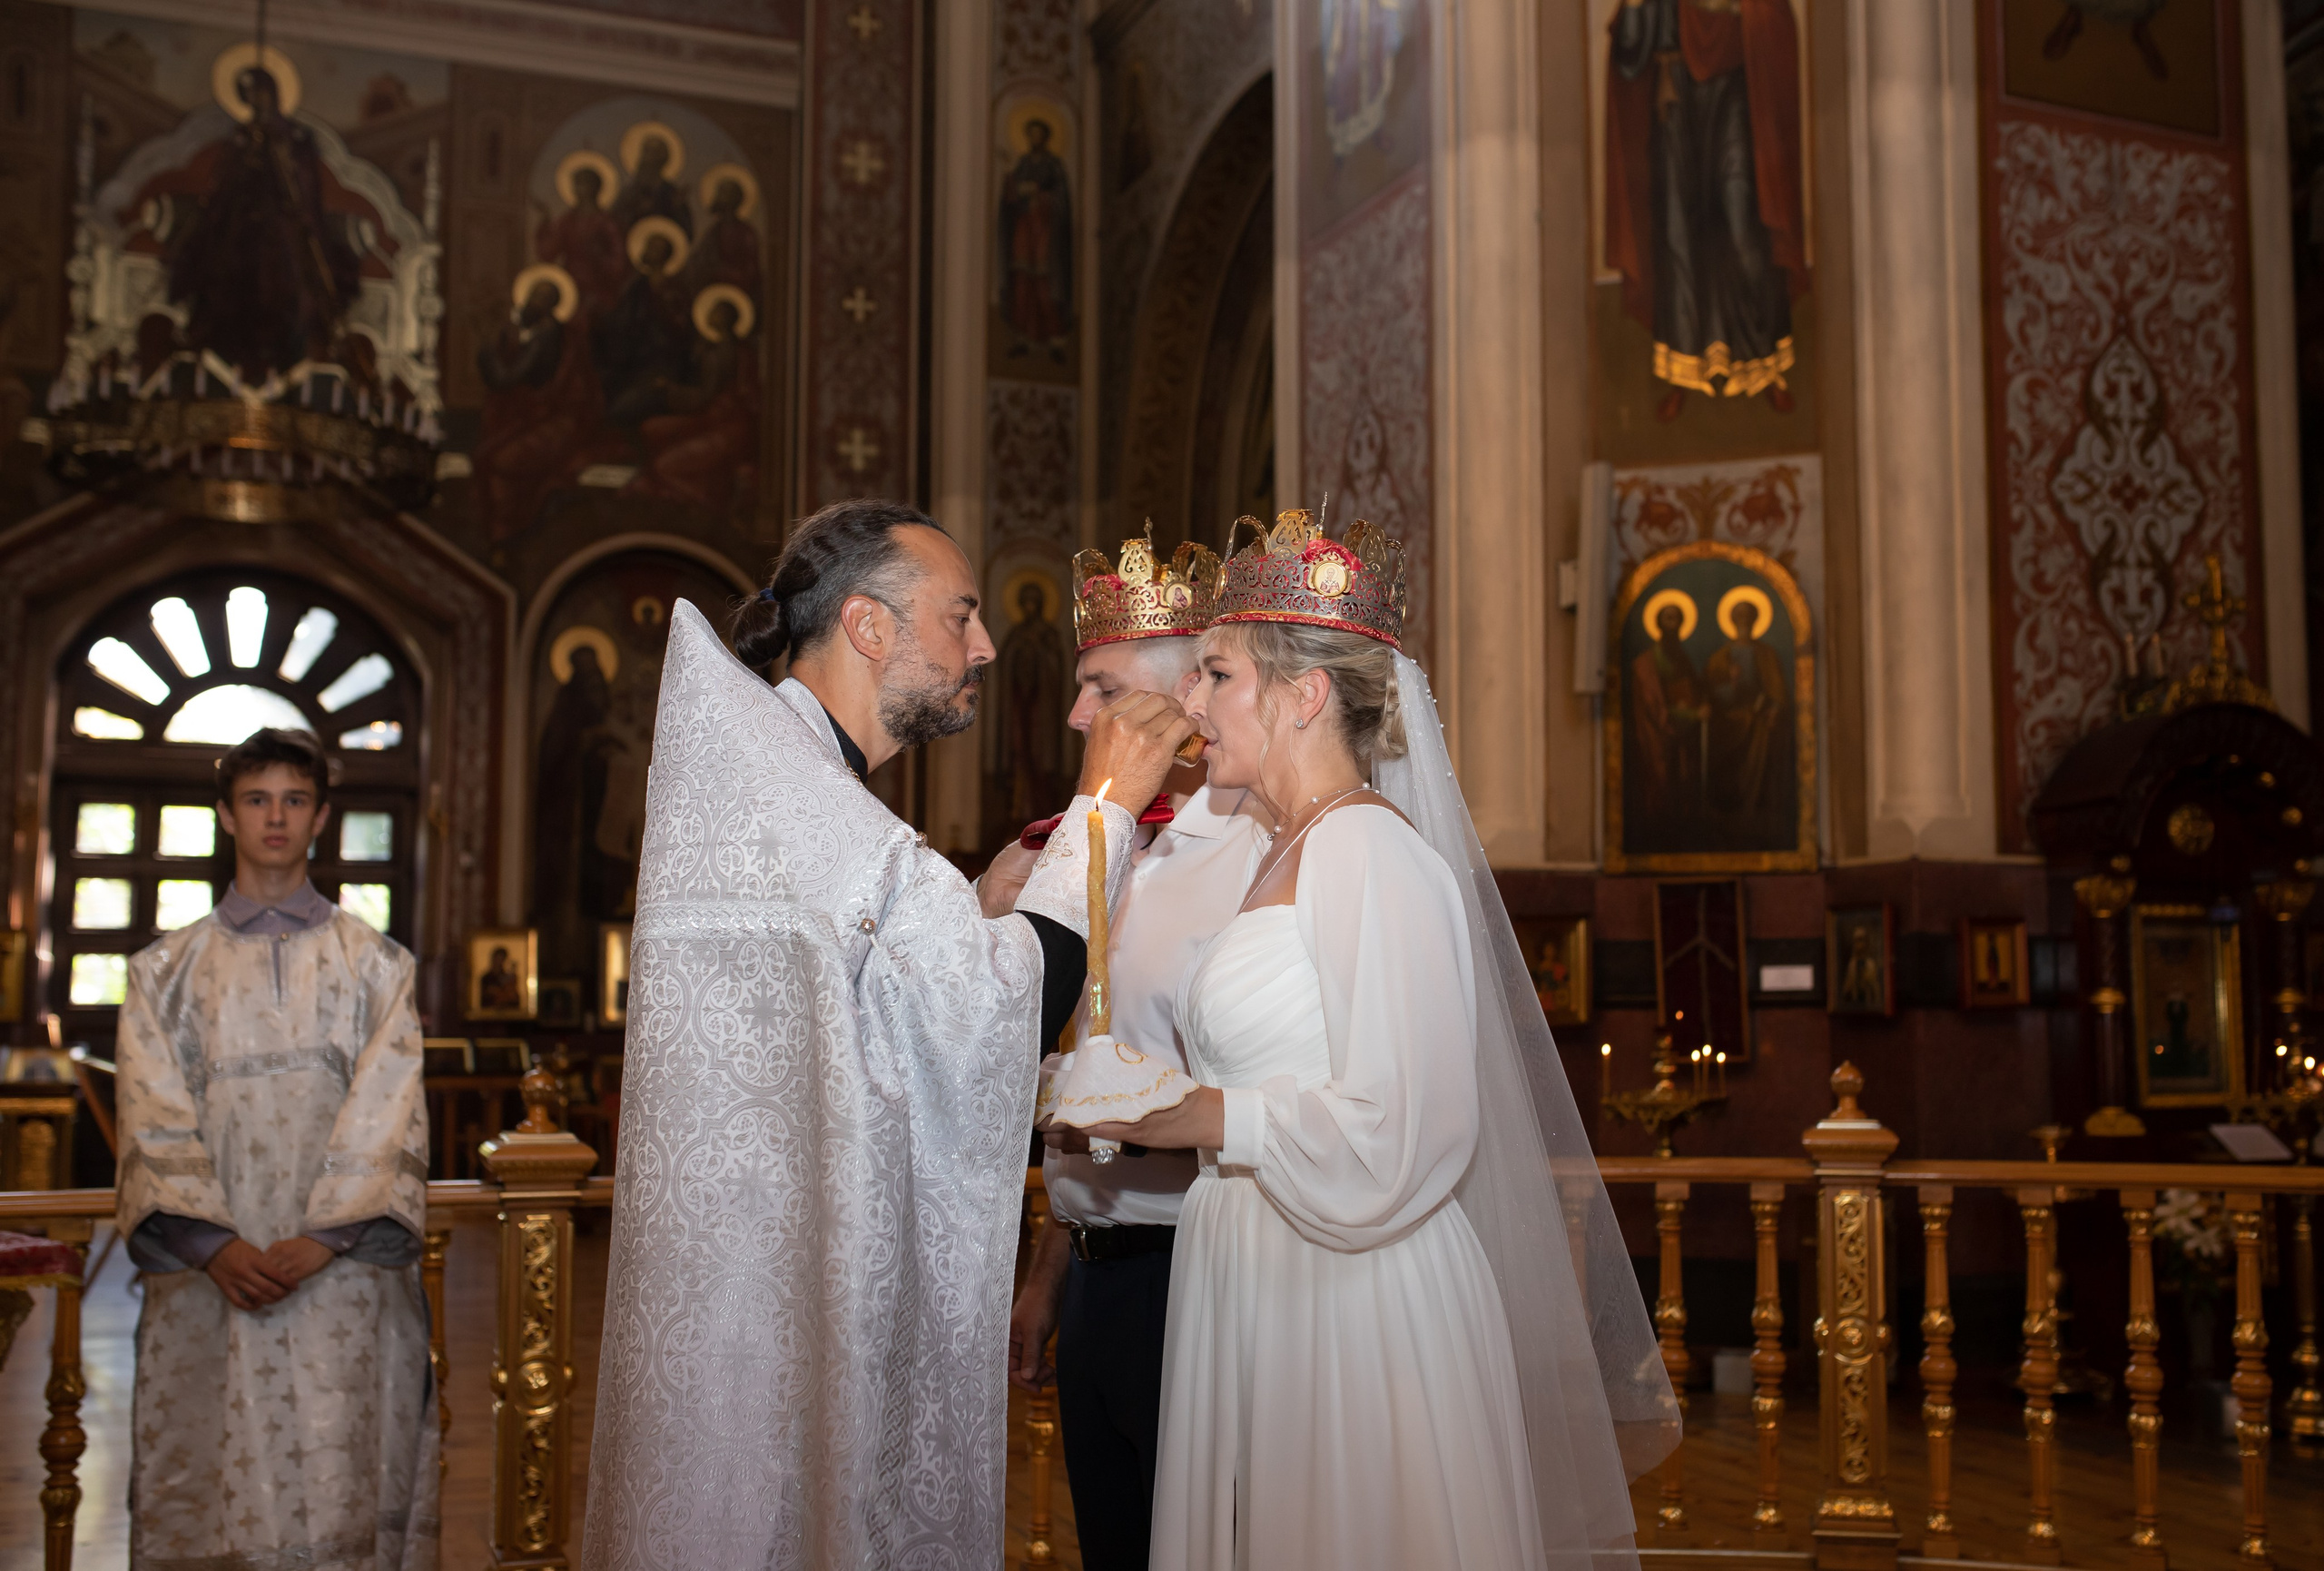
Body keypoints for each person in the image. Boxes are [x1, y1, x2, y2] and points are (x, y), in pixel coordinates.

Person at [580, 499, 1196, 1569]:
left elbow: (858, 1005)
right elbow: (995, 1014)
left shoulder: (777, 778)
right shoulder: (811, 799)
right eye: (959, 615)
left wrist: (965, 905)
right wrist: (1101, 808)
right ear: (868, 626)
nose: (987, 646)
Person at [1079, 511, 1678, 1570]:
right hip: (1260, 1260)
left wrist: (1200, 1112)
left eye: (1215, 674)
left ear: (1304, 693)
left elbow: (1409, 1124)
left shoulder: (1366, 849)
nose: (1187, 701)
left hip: (1350, 1292)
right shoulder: (1281, 850)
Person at [1004, 534, 1268, 1571]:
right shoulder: (1070, 850)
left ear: (1184, 700)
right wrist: (1046, 1276)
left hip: (1200, 1273)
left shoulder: (1252, 855)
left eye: (1100, 688)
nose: (1076, 716)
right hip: (1094, 1278)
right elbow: (1079, 1068)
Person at [114, 726, 437, 1569]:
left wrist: (322, 1239)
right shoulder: (162, 972)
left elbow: (389, 1110)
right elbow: (151, 1115)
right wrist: (212, 1245)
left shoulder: (378, 967)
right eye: (257, 798)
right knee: (207, 1473)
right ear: (226, 815)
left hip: (340, 1277)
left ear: (321, 817)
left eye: (294, 800)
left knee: (339, 1473)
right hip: (209, 1282)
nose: (275, 817)